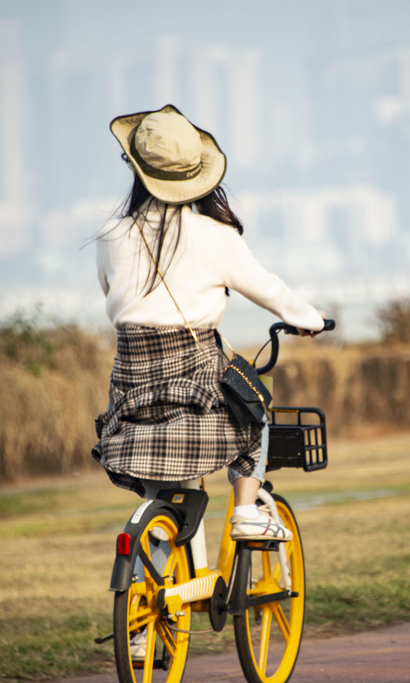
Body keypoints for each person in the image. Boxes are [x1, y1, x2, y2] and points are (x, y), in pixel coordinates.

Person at [92, 104, 325, 542]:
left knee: (160, 487)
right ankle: (246, 512)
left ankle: (160, 562)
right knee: (256, 409)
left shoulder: (111, 235)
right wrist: (308, 319)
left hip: (131, 384)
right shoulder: (216, 236)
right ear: (195, 174)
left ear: (138, 168)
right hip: (196, 375)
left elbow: (112, 296)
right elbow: (269, 290)